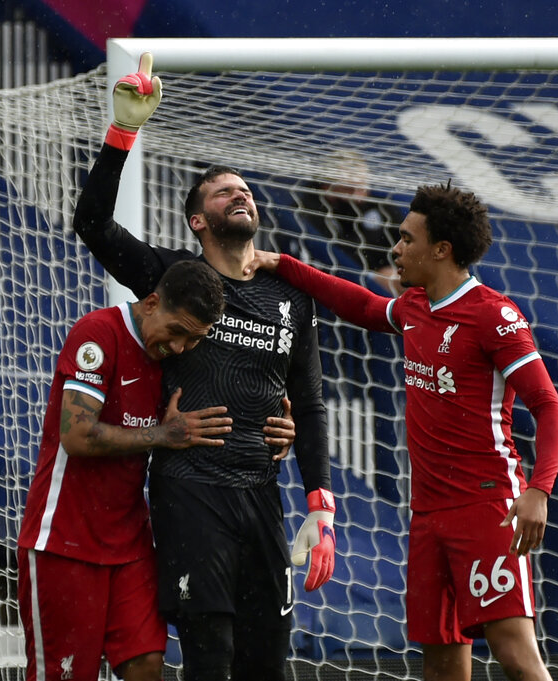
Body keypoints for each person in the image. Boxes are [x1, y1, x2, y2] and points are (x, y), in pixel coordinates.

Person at [70, 53, 335, 681]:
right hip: (192, 489)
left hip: (262, 493)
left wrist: (320, 504)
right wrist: (123, 133)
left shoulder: (290, 297)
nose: (240, 193)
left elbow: (311, 398)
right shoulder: (173, 280)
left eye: (246, 189)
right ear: (198, 219)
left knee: (267, 661)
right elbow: (91, 222)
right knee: (209, 656)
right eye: (224, 191)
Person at [245, 182, 558, 681]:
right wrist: (284, 265)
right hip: (427, 515)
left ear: (441, 250)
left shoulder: (494, 315)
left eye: (406, 239)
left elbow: (551, 409)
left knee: (515, 651)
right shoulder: (415, 308)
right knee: (440, 659)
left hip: (486, 506)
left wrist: (539, 490)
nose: (396, 249)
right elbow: (363, 306)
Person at [17, 260, 295, 681]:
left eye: (193, 339)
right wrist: (164, 436)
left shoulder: (167, 356)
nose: (181, 347)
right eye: (177, 332)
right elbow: (76, 436)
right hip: (64, 540)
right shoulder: (98, 334)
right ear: (150, 303)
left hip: (130, 543)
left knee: (146, 663)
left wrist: (275, 427)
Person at [271, 149, 403, 295]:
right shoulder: (304, 214)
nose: (359, 196)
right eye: (350, 189)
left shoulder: (379, 206)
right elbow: (327, 261)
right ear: (327, 187)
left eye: (363, 187)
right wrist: (372, 278)